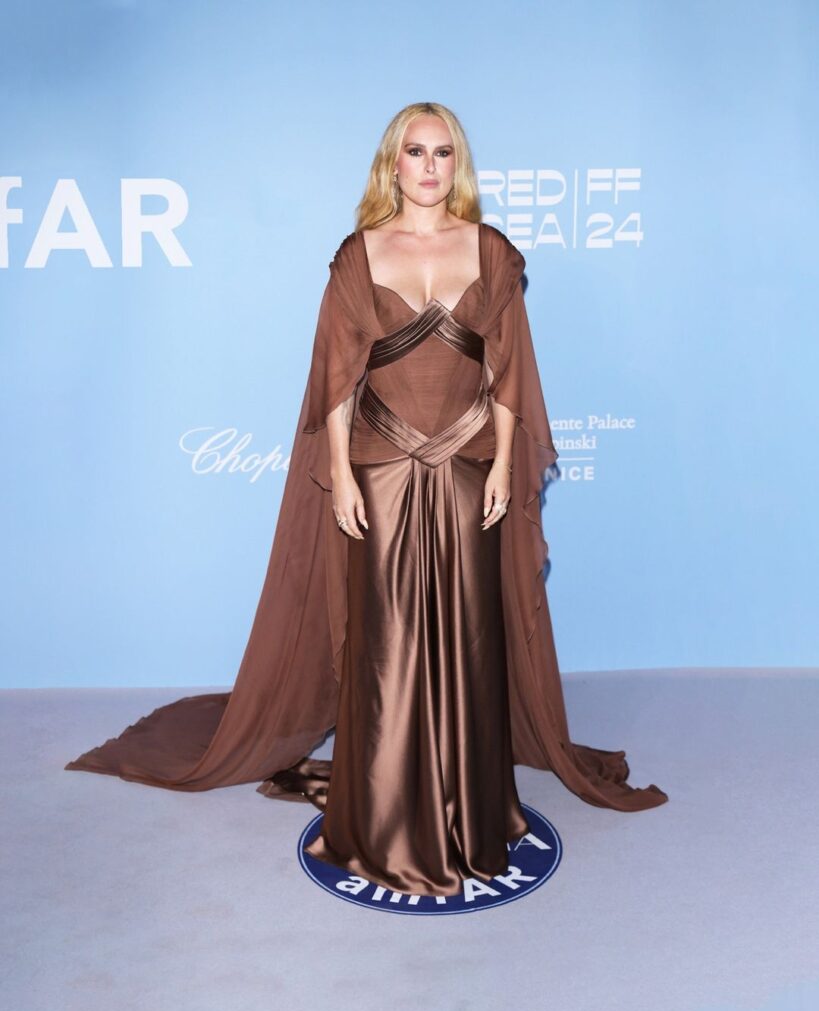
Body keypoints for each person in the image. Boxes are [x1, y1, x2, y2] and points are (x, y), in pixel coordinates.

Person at [65, 101, 668, 897]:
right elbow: (337, 380)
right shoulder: (358, 256)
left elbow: (508, 371)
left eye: (442, 152)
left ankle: (471, 811)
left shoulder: (489, 250)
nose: (429, 166)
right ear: (393, 162)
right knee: (385, 647)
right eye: (414, 151)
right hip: (379, 468)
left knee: (470, 639)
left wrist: (500, 466)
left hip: (467, 467)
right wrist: (343, 475)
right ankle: (384, 818)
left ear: (457, 164)